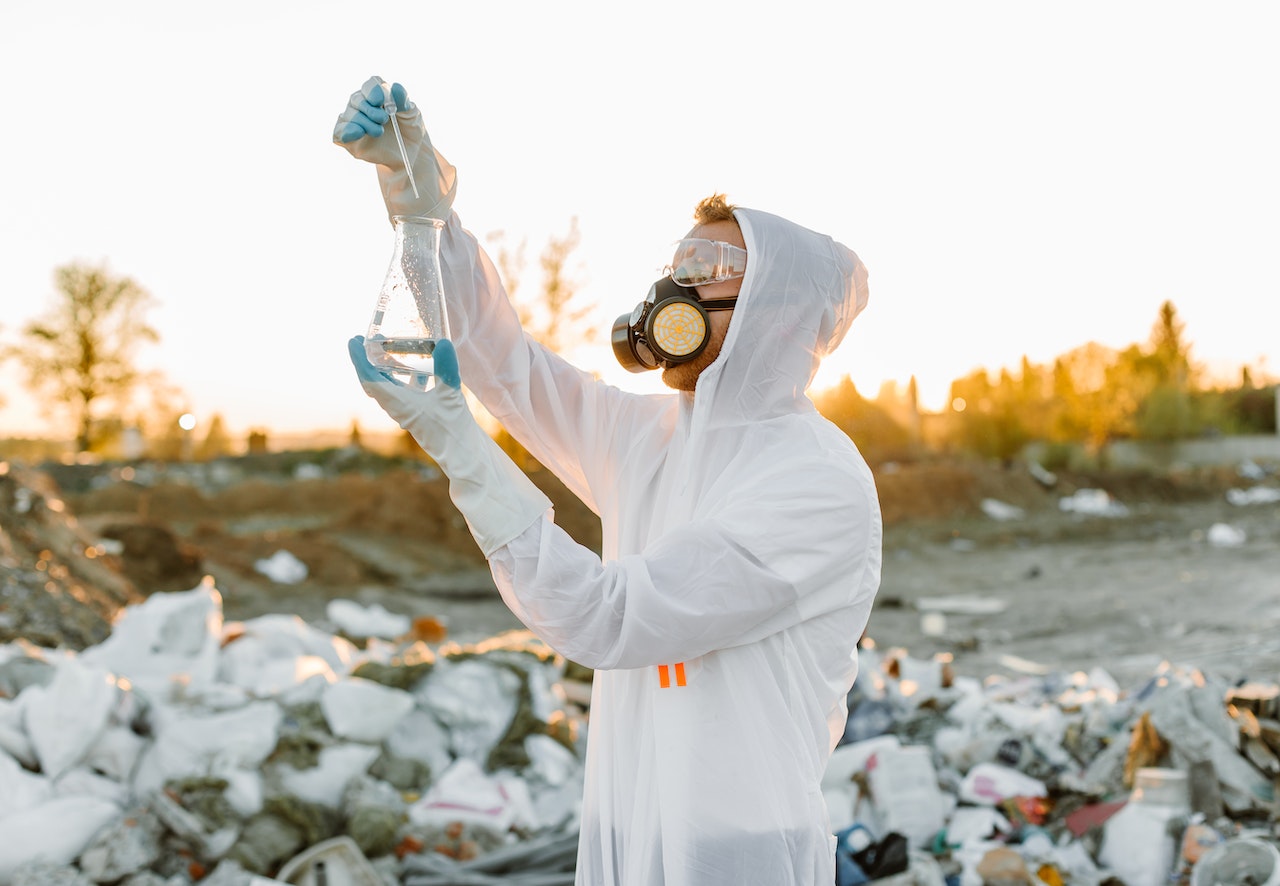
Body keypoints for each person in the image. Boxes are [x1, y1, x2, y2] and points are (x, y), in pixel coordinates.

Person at [335, 76, 882, 886]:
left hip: (737, 854)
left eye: (712, 267)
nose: (676, 287)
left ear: (780, 313)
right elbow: (506, 366)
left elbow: (609, 619)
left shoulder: (815, 481)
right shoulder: (656, 434)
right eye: (678, 260)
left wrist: (463, 454)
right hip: (624, 827)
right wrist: (426, 212)